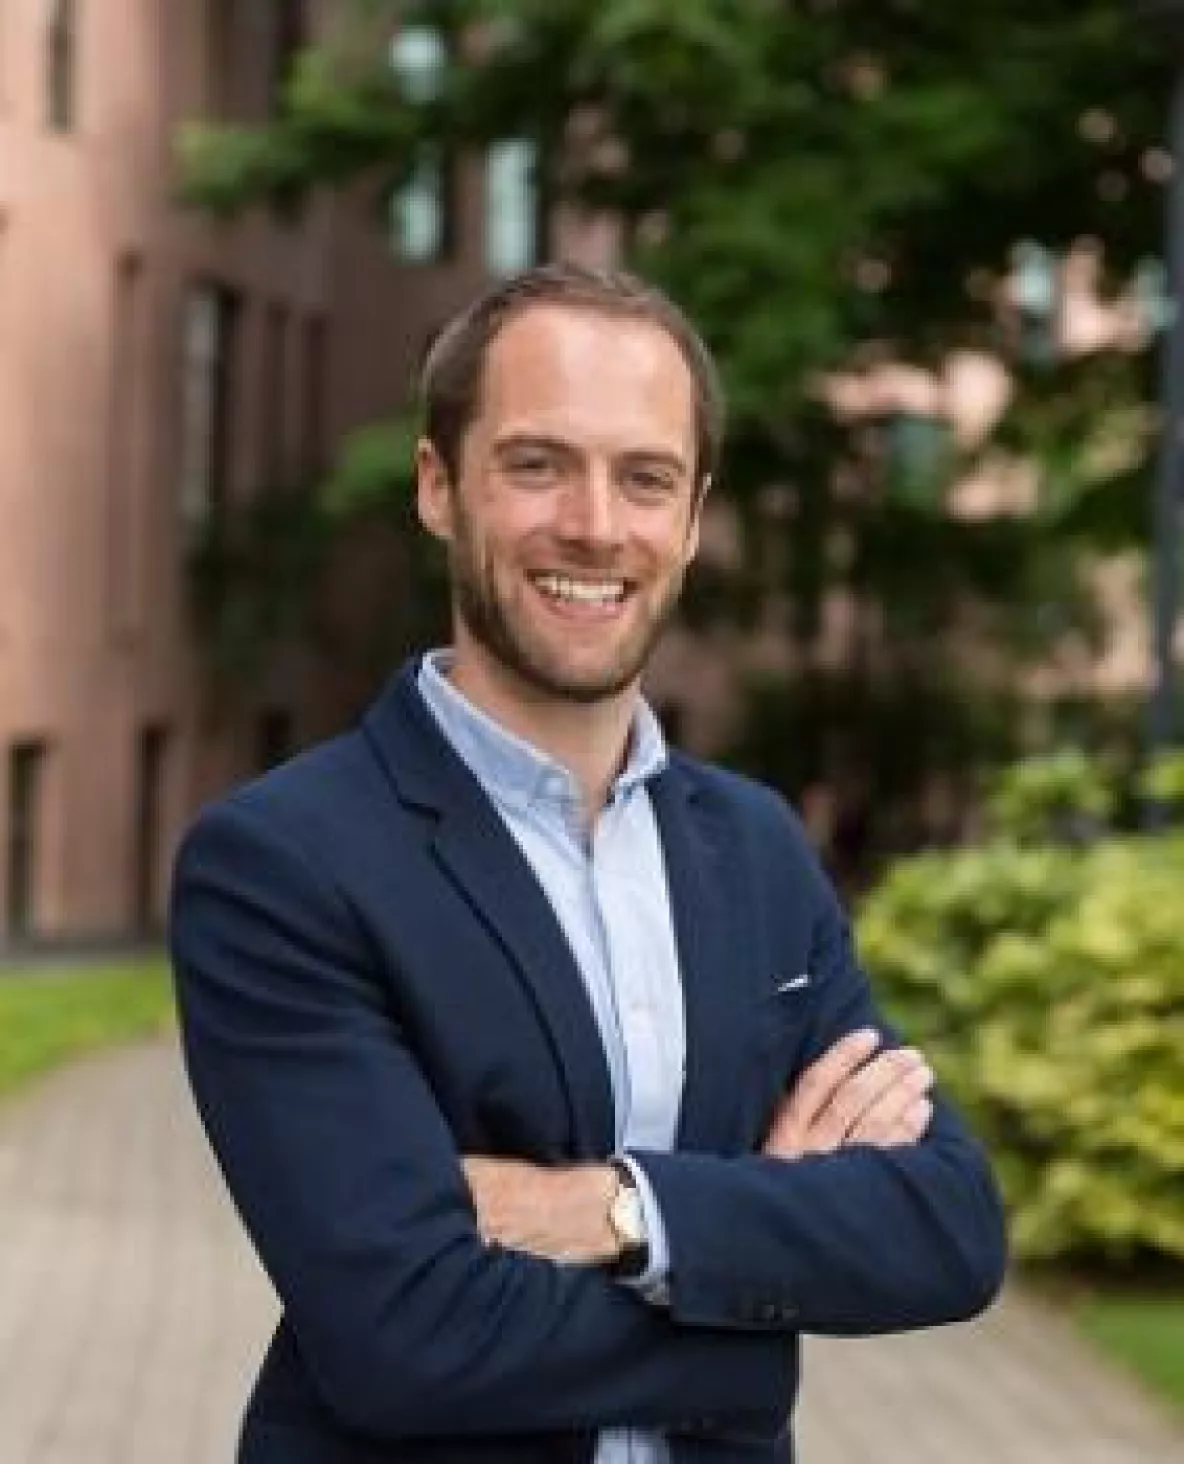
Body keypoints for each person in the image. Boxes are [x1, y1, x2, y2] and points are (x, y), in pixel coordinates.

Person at [169, 263, 1007, 1464]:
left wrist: (606, 1209)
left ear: (693, 517)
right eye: (536, 464)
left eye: (644, 478)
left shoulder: (755, 850)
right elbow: (404, 1336)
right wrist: (762, 1301)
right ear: (435, 487)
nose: (595, 525)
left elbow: (947, 1228)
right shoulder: (284, 864)